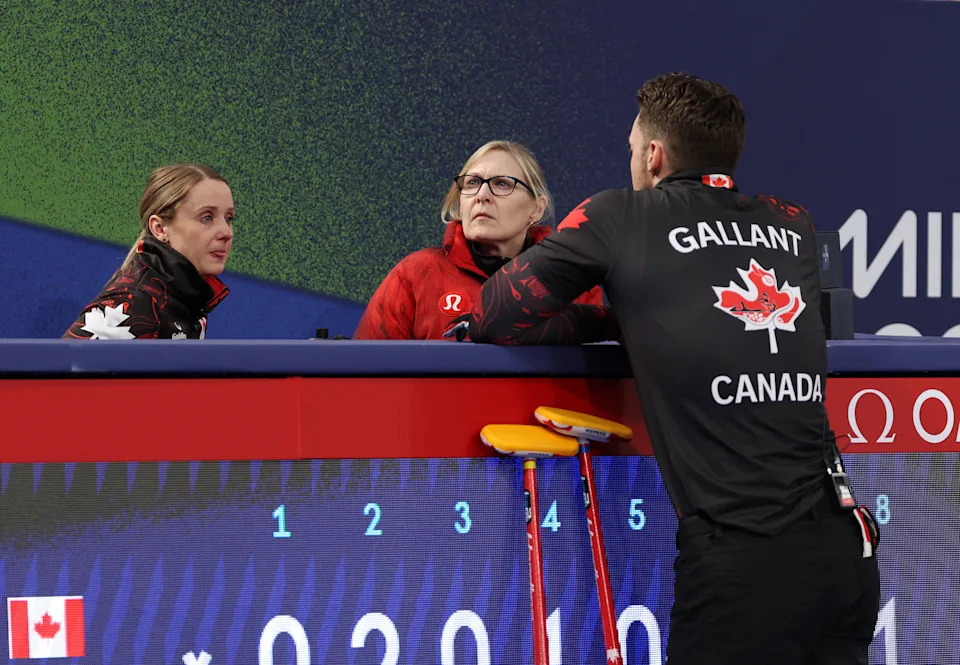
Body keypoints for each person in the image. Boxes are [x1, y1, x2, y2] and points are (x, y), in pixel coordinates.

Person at [458, 74, 880, 664]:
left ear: (653, 156)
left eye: (633, 148)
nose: (631, 159)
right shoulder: (794, 226)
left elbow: (494, 314)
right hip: (846, 554)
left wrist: (611, 321)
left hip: (742, 569)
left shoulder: (621, 217)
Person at [352, 140, 603, 339]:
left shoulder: (573, 281)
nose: (482, 195)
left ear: (536, 209)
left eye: (503, 184)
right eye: (472, 183)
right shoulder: (414, 275)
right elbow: (363, 378)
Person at [64, 164, 234, 339]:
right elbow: (60, 364)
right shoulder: (132, 303)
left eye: (229, 218)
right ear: (159, 228)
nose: (226, 233)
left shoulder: (187, 300)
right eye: (206, 217)